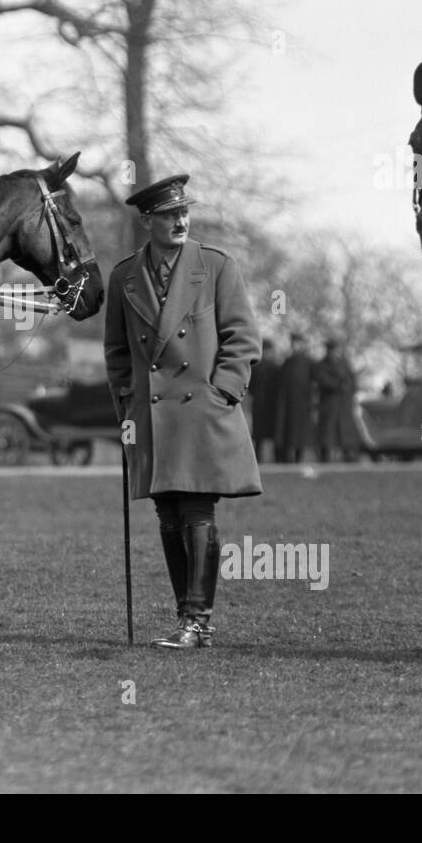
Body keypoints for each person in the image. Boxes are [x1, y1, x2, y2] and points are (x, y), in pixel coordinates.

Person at [103, 175, 262, 649]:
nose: (180, 221)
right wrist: (128, 402)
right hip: (152, 415)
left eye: (184, 213)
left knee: (196, 509)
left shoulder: (216, 266)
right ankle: (186, 618)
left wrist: (224, 392)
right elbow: (116, 351)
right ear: (147, 220)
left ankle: (198, 622)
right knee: (168, 513)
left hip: (201, 412)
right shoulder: (124, 276)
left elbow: (243, 338)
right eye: (170, 215)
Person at [312, 336, 359, 463]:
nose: (335, 353)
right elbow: (323, 381)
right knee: (327, 432)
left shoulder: (345, 364)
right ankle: (325, 455)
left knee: (345, 431)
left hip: (344, 404)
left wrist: (346, 387)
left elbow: (352, 382)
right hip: (329, 404)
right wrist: (338, 385)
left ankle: (349, 453)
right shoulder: (321, 365)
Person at [276, 332, 314, 464]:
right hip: (288, 403)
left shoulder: (308, 362)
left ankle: (299, 457)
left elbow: (314, 381)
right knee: (287, 432)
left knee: (300, 434)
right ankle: (287, 457)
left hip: (302, 403)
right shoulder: (288, 362)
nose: (295, 346)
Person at [248, 337, 282, 462]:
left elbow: (250, 387)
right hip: (270, 404)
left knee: (261, 433)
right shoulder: (276, 367)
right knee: (268, 432)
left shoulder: (256, 368)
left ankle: (259, 457)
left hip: (262, 404)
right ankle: (275, 457)